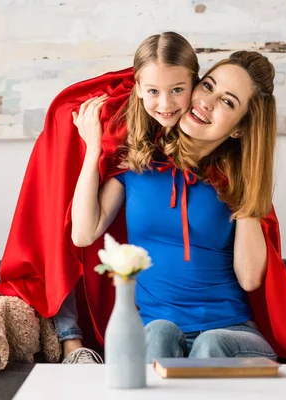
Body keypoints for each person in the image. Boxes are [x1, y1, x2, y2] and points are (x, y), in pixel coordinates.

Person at [71, 51, 279, 362]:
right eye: (208, 86)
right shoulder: (135, 165)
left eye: (228, 102)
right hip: (154, 329)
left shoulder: (235, 184)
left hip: (232, 332)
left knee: (211, 344)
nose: (207, 102)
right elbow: (83, 234)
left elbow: (249, 278)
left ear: (239, 128)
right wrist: (93, 150)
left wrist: (248, 184)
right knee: (159, 333)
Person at [53, 31, 200, 364]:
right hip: (154, 320)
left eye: (177, 89)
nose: (166, 104)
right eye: (153, 91)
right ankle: (70, 342)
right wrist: (93, 149)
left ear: (196, 84)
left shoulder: (216, 151)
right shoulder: (129, 155)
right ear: (137, 88)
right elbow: (82, 233)